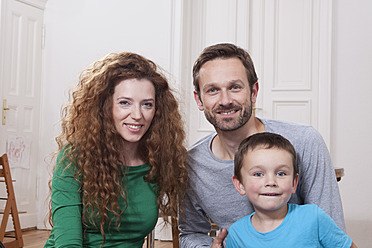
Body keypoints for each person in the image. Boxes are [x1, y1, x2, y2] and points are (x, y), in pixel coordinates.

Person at [179, 43, 345, 247]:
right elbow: (191, 232)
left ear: (254, 91)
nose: (225, 100)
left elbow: (331, 230)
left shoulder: (305, 141)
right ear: (199, 99)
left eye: (235, 87)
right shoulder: (191, 164)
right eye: (213, 90)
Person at [44, 52, 188, 247]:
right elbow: (68, 242)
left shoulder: (158, 159)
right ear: (105, 106)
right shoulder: (74, 157)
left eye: (147, 105)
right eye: (124, 103)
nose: (137, 115)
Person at [226, 132, 357, 248]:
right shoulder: (237, 234)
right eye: (258, 174)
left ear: (294, 183)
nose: (271, 182)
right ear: (240, 184)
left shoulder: (313, 218)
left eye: (281, 173)